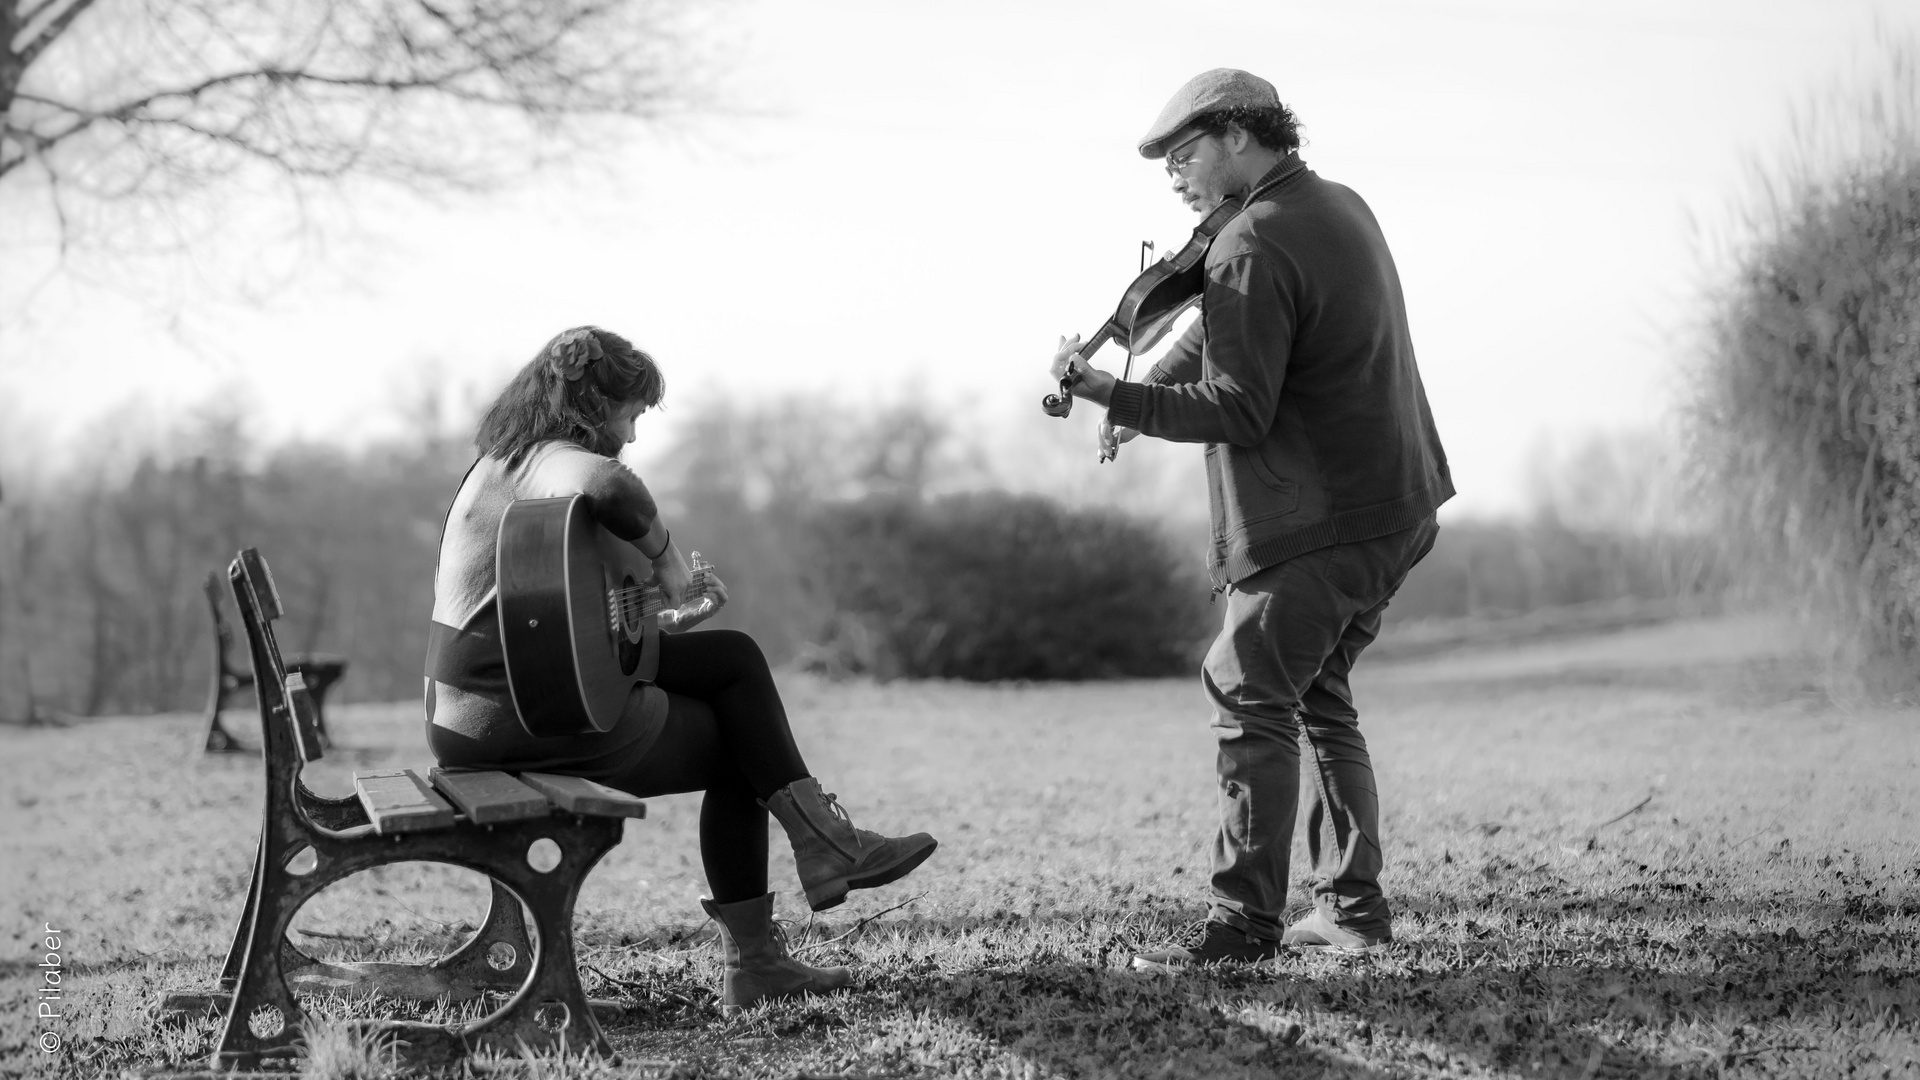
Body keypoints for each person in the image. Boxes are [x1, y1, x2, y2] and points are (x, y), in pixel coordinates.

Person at [1048, 69, 1453, 965]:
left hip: (1322, 516)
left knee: (1245, 691)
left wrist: (1112, 391)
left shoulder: (1249, 245)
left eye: (1185, 155)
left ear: (1238, 135)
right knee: (1316, 697)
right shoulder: (1336, 206)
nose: (1176, 177)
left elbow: (1238, 403)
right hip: (1397, 502)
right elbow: (1229, 329)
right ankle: (1350, 912)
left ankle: (1240, 930)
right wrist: (1145, 385)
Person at [426, 325, 938, 1008]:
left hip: (504, 702)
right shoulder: (546, 460)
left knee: (732, 658)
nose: (634, 434)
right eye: (630, 412)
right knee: (740, 747)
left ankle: (818, 856)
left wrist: (658, 620)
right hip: (517, 714)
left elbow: (563, 627)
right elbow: (608, 484)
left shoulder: (507, 464)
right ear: (589, 404)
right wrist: (666, 560)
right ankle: (774, 928)